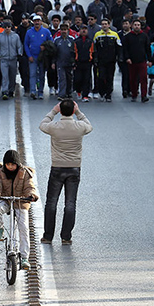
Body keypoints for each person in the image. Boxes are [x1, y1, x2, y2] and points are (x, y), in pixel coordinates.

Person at [38, 99, 93, 244]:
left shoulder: (55, 126)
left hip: (57, 167)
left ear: (61, 111)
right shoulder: (79, 126)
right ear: (73, 111)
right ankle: (66, 236)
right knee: (70, 203)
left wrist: (53, 111)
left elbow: (42, 124)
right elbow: (89, 125)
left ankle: (48, 236)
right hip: (74, 168)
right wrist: (79, 112)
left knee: (51, 203)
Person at [0, 149, 39, 271]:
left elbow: (30, 186)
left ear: (17, 164)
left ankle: (24, 258)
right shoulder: (0, 172)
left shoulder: (25, 173)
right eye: (8, 164)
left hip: (21, 202)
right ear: (5, 164)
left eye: (13, 164)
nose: (10, 167)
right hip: (6, 200)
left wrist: (31, 195)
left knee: (24, 229)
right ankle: (0, 229)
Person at [24, 14, 53, 100]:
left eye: (38, 21)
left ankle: (40, 92)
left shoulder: (46, 31)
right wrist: (29, 55)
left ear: (41, 22)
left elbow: (51, 43)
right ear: (33, 22)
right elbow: (26, 44)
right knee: (32, 74)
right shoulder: (29, 32)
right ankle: (33, 91)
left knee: (41, 75)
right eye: (35, 21)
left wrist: (46, 47)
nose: (37, 22)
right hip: (33, 57)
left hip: (43, 57)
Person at [92, 18, 122, 102]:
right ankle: (102, 92)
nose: (104, 25)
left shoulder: (114, 34)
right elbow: (94, 47)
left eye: (106, 24)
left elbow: (119, 47)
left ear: (109, 25)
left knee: (110, 77)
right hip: (101, 60)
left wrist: (118, 57)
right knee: (101, 77)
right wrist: (95, 58)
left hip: (111, 60)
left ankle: (108, 94)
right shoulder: (97, 34)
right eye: (103, 24)